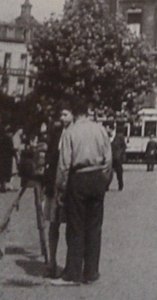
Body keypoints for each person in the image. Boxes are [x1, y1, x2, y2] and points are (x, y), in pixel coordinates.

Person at [51, 99, 112, 286]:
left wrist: (60, 188)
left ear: (75, 115)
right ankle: (91, 272)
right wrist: (104, 180)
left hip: (78, 178)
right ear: (88, 112)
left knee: (76, 227)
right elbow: (108, 159)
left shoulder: (70, 132)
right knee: (94, 227)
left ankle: (73, 273)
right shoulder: (100, 129)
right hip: (97, 179)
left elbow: (64, 164)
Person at [43, 106, 73, 278]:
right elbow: (50, 156)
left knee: (71, 225)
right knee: (53, 224)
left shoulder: (76, 134)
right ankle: (52, 261)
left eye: (65, 114)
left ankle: (69, 264)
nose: (62, 118)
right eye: (60, 114)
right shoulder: (56, 134)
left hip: (69, 186)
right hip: (55, 183)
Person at [0, 126, 16, 192]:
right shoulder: (9, 139)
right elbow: (11, 149)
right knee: (6, 173)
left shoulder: (1, 138)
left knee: (0, 172)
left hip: (1, 158)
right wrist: (15, 154)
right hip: (8, 159)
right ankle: (3, 186)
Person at [106, 123, 127, 191]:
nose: (106, 130)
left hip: (117, 158)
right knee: (108, 173)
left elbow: (124, 147)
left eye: (107, 128)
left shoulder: (119, 137)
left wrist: (120, 154)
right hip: (109, 158)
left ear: (111, 129)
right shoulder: (106, 137)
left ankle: (120, 185)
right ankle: (106, 186)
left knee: (119, 173)